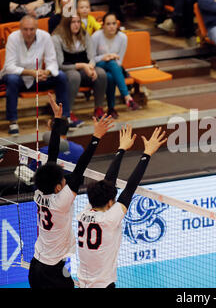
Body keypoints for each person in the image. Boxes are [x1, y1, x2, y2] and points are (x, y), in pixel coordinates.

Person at [28, 93, 114, 289]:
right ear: (59, 187)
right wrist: (96, 138)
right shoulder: (61, 201)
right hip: (51, 271)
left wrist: (57, 120)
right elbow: (80, 167)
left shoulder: (39, 192)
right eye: (63, 180)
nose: (66, 180)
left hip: (36, 266)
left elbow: (52, 156)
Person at [76, 126, 167, 288]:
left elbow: (109, 182)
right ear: (110, 203)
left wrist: (121, 149)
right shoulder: (109, 219)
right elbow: (130, 188)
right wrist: (146, 154)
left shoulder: (84, 213)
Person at [0, 15, 70, 136]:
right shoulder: (13, 38)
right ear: (20, 29)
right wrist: (32, 73)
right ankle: (13, 121)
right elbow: (9, 67)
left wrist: (46, 72)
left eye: (31, 29)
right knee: (12, 79)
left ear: (36, 28)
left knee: (61, 76)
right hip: (18, 78)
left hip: (39, 77)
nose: (28, 32)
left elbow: (52, 62)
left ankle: (64, 117)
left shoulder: (45, 36)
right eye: (25, 29)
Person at [52, 15, 108, 123]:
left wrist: (90, 67)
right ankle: (68, 112)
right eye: (73, 22)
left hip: (84, 69)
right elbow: (60, 64)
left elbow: (91, 57)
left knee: (101, 73)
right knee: (74, 76)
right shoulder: (56, 38)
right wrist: (83, 66)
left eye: (78, 22)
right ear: (66, 24)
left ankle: (98, 108)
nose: (76, 25)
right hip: (65, 70)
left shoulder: (84, 35)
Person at [91, 12, 140, 119]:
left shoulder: (122, 37)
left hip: (114, 68)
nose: (111, 26)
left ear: (117, 24)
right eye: (108, 24)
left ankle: (111, 109)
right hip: (98, 66)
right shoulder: (96, 36)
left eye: (114, 23)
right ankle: (127, 97)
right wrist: (104, 57)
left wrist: (111, 60)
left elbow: (119, 61)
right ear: (103, 25)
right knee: (112, 63)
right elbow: (91, 59)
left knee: (110, 76)